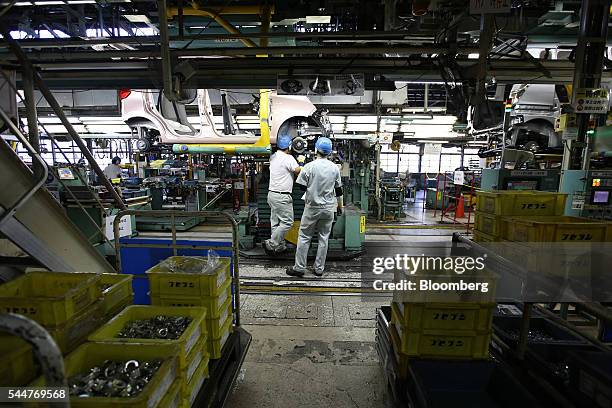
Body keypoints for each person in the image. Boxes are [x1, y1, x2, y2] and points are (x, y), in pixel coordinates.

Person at [287, 137, 343, 277]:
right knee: (323, 238)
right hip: (329, 208)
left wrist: (313, 189)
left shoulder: (309, 166)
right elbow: (339, 190)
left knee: (305, 237)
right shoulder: (334, 168)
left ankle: (299, 268)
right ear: (329, 152)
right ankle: (319, 269)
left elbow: (301, 187)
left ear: (316, 150)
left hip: (312, 207)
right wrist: (340, 207)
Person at [264, 134, 301, 254]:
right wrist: (301, 164)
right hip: (282, 196)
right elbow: (297, 171)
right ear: (289, 146)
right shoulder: (288, 158)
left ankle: (278, 246)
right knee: (287, 222)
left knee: (275, 222)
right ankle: (272, 243)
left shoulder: (273, 156)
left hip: (272, 195)